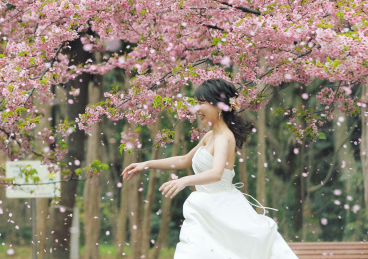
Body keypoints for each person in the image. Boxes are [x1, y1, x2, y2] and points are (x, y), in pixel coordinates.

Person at [122, 78, 298, 258]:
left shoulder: (224, 137)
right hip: (205, 208)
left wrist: (185, 180)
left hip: (222, 208)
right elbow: (184, 160)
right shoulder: (210, 136)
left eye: (201, 103)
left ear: (218, 105)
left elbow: (216, 173)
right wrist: (147, 164)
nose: (197, 109)